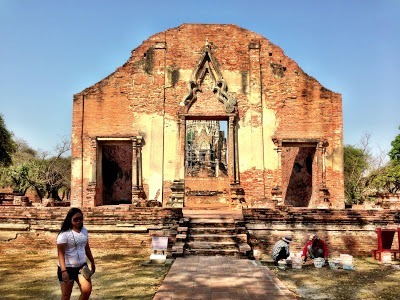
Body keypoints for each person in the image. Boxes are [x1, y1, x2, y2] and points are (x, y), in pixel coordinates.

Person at [57, 208, 96, 300]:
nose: (78, 221)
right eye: (76, 219)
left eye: (81, 219)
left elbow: (87, 248)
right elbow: (60, 254)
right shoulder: (64, 235)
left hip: (81, 267)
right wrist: (64, 271)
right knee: (66, 296)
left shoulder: (84, 231)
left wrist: (92, 262)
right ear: (70, 219)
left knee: (87, 291)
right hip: (67, 268)